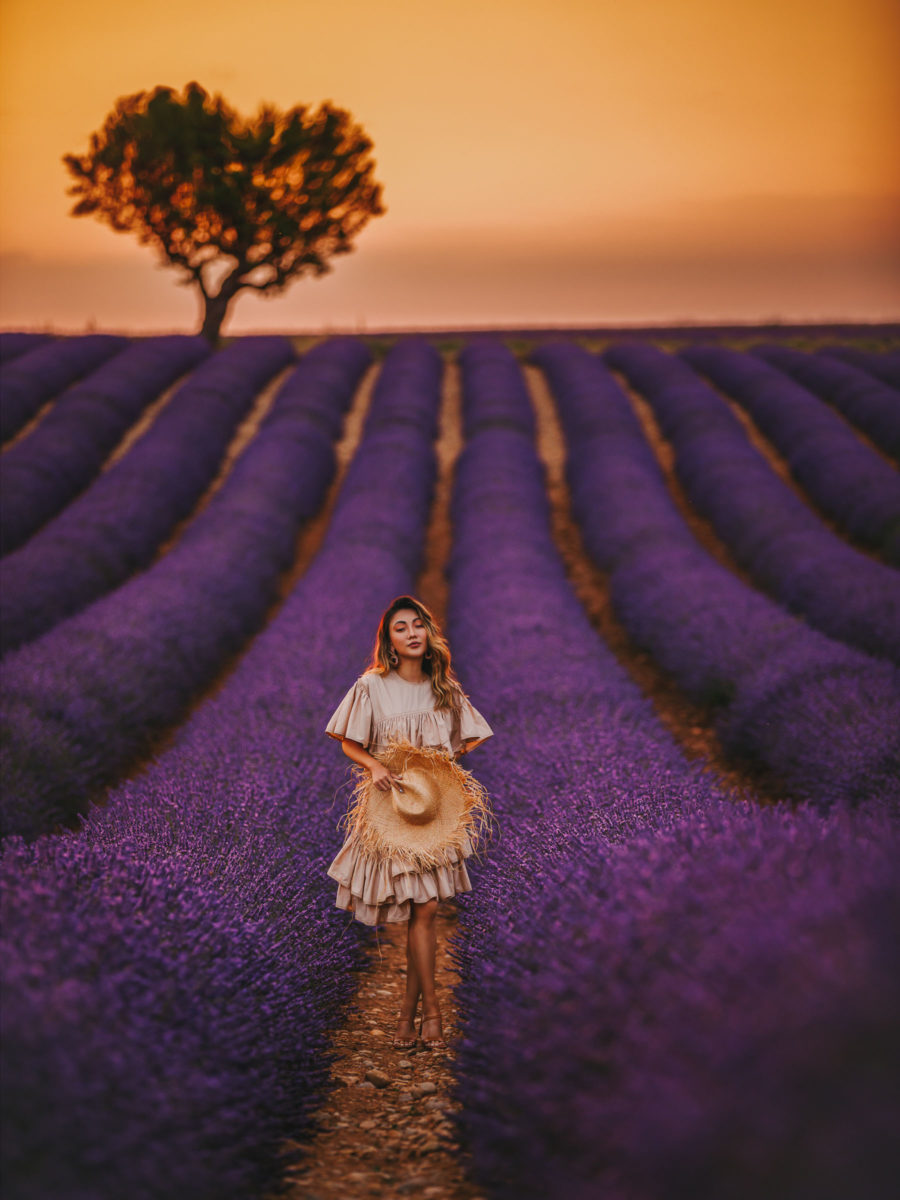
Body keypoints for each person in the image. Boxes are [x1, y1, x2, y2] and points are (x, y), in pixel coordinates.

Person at [325, 595, 493, 1050]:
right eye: (401, 628)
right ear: (390, 641)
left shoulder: (445, 689)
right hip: (391, 812)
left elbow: (466, 741)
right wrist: (375, 766)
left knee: (427, 911)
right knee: (420, 913)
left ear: (429, 634)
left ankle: (416, 1015)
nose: (412, 633)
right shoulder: (372, 686)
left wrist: (437, 775)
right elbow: (346, 740)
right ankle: (423, 1015)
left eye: (418, 625)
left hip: (431, 812)